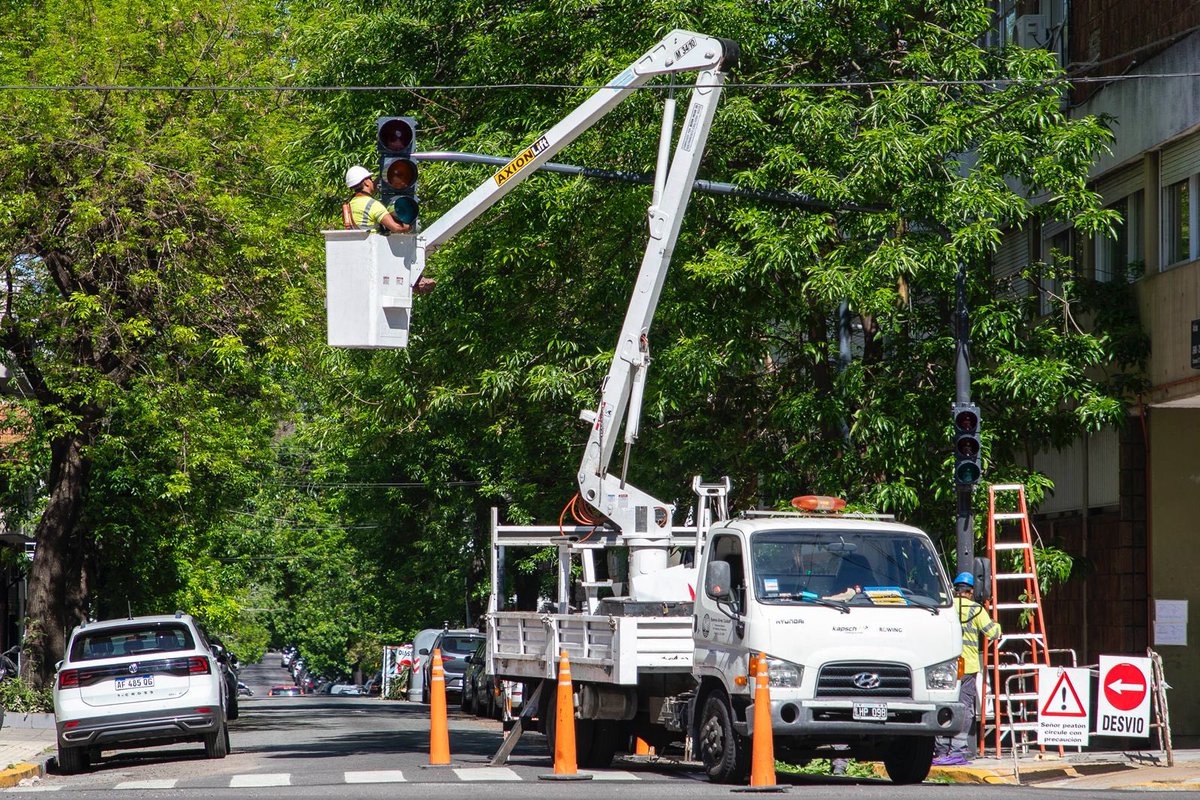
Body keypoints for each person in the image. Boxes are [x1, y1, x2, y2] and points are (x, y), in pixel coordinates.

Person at [933, 572, 1001, 766]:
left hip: (945, 666)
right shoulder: (977, 610)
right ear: (971, 592)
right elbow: (993, 633)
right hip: (968, 666)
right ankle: (957, 750)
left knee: (944, 707)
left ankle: (940, 750)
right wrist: (997, 623)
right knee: (964, 709)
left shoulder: (946, 608)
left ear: (955, 589)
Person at [342, 165, 435, 294]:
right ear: (365, 182)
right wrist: (410, 227)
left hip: (360, 252)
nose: (372, 181)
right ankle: (417, 280)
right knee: (404, 246)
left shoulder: (351, 203)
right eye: (370, 179)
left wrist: (380, 178)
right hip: (378, 251)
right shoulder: (372, 205)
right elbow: (396, 227)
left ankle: (417, 279)